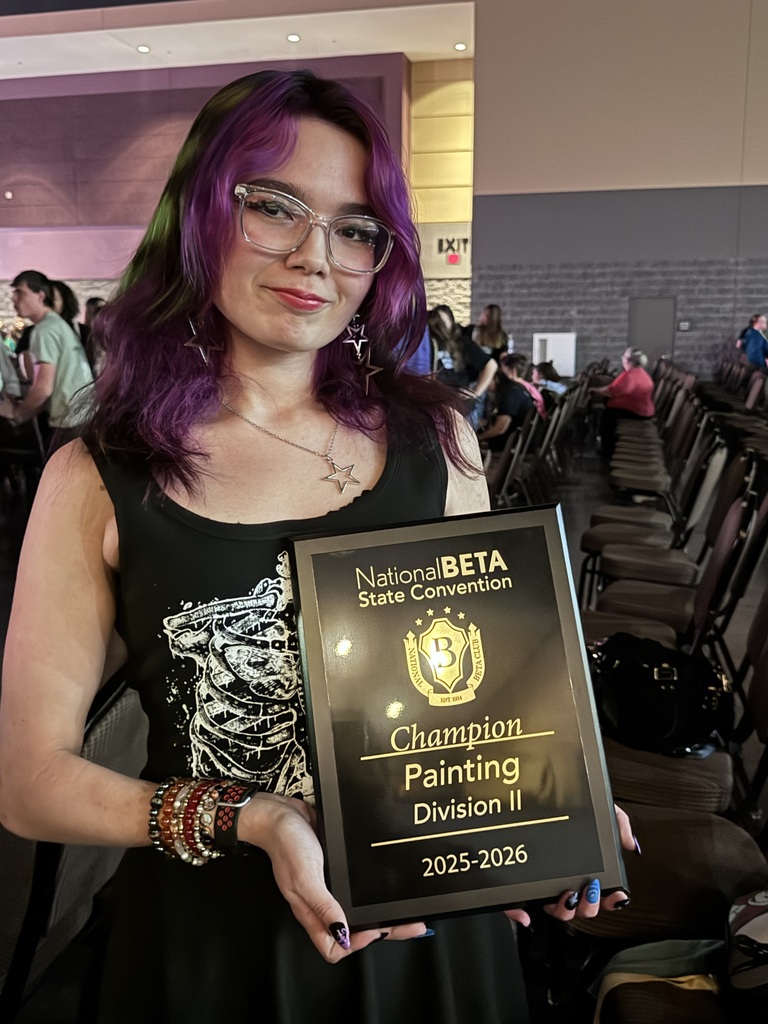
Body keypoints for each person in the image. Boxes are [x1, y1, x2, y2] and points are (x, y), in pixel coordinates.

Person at [0, 70, 633, 1024]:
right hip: (218, 951)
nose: (313, 256)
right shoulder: (99, 478)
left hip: (434, 948)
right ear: (201, 215)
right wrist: (247, 816)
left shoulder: (440, 444)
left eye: (353, 228)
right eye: (273, 207)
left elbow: (495, 695)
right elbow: (27, 782)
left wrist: (554, 811)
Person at [0, 269, 93, 445]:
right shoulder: (57, 324)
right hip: (83, 417)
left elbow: (43, 388)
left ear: (41, 296)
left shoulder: (44, 330)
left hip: (68, 423)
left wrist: (17, 415)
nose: (13, 299)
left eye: (20, 292)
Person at [430, 303, 498, 427]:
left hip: (460, 407)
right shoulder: (430, 343)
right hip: (437, 405)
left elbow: (491, 365)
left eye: (442, 321)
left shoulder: (462, 343)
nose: (439, 326)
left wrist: (476, 392)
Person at [590, 347, 655, 459]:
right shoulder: (639, 372)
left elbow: (612, 391)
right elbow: (614, 388)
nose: (622, 359)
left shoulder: (631, 375)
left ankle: (608, 452)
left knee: (607, 419)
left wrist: (595, 390)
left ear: (628, 360)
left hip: (637, 412)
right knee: (609, 412)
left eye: (623, 357)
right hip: (642, 411)